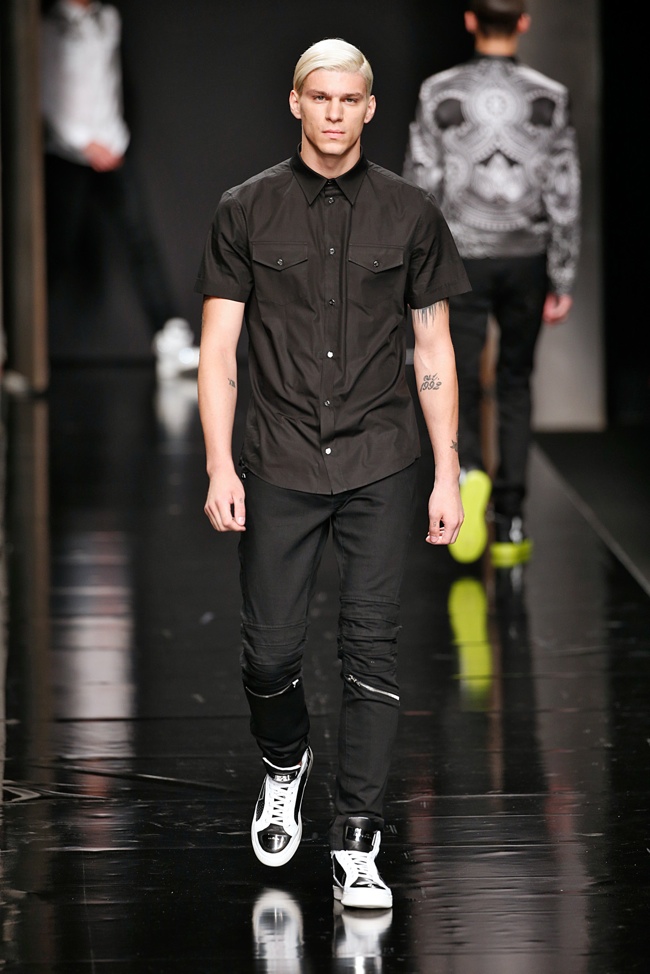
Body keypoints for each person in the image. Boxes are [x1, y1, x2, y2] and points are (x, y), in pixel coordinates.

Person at [195, 38, 470, 909]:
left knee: (371, 651)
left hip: (381, 458)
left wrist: (449, 471)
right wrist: (218, 464)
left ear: (370, 108)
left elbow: (433, 347)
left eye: (351, 99)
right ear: (296, 102)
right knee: (269, 656)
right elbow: (218, 350)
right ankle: (286, 760)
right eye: (321, 97)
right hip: (277, 457)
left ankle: (358, 839)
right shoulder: (245, 209)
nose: (336, 113)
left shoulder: (411, 212)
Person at [403, 0, 581, 566]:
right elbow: (563, 189)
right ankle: (511, 518)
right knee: (516, 382)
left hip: (461, 257)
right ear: (523, 22)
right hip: (527, 255)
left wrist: (416, 267)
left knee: (456, 376)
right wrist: (563, 273)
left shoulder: (438, 91)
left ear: (470, 20)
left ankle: (467, 474)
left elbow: (421, 184)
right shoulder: (549, 95)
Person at [40, 0, 200, 380]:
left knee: (140, 240)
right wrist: (83, 142)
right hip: (67, 152)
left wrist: (113, 137)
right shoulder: (48, 25)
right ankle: (16, 340)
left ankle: (169, 338)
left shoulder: (108, 19)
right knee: (54, 250)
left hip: (112, 147)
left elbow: (108, 82)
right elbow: (44, 92)